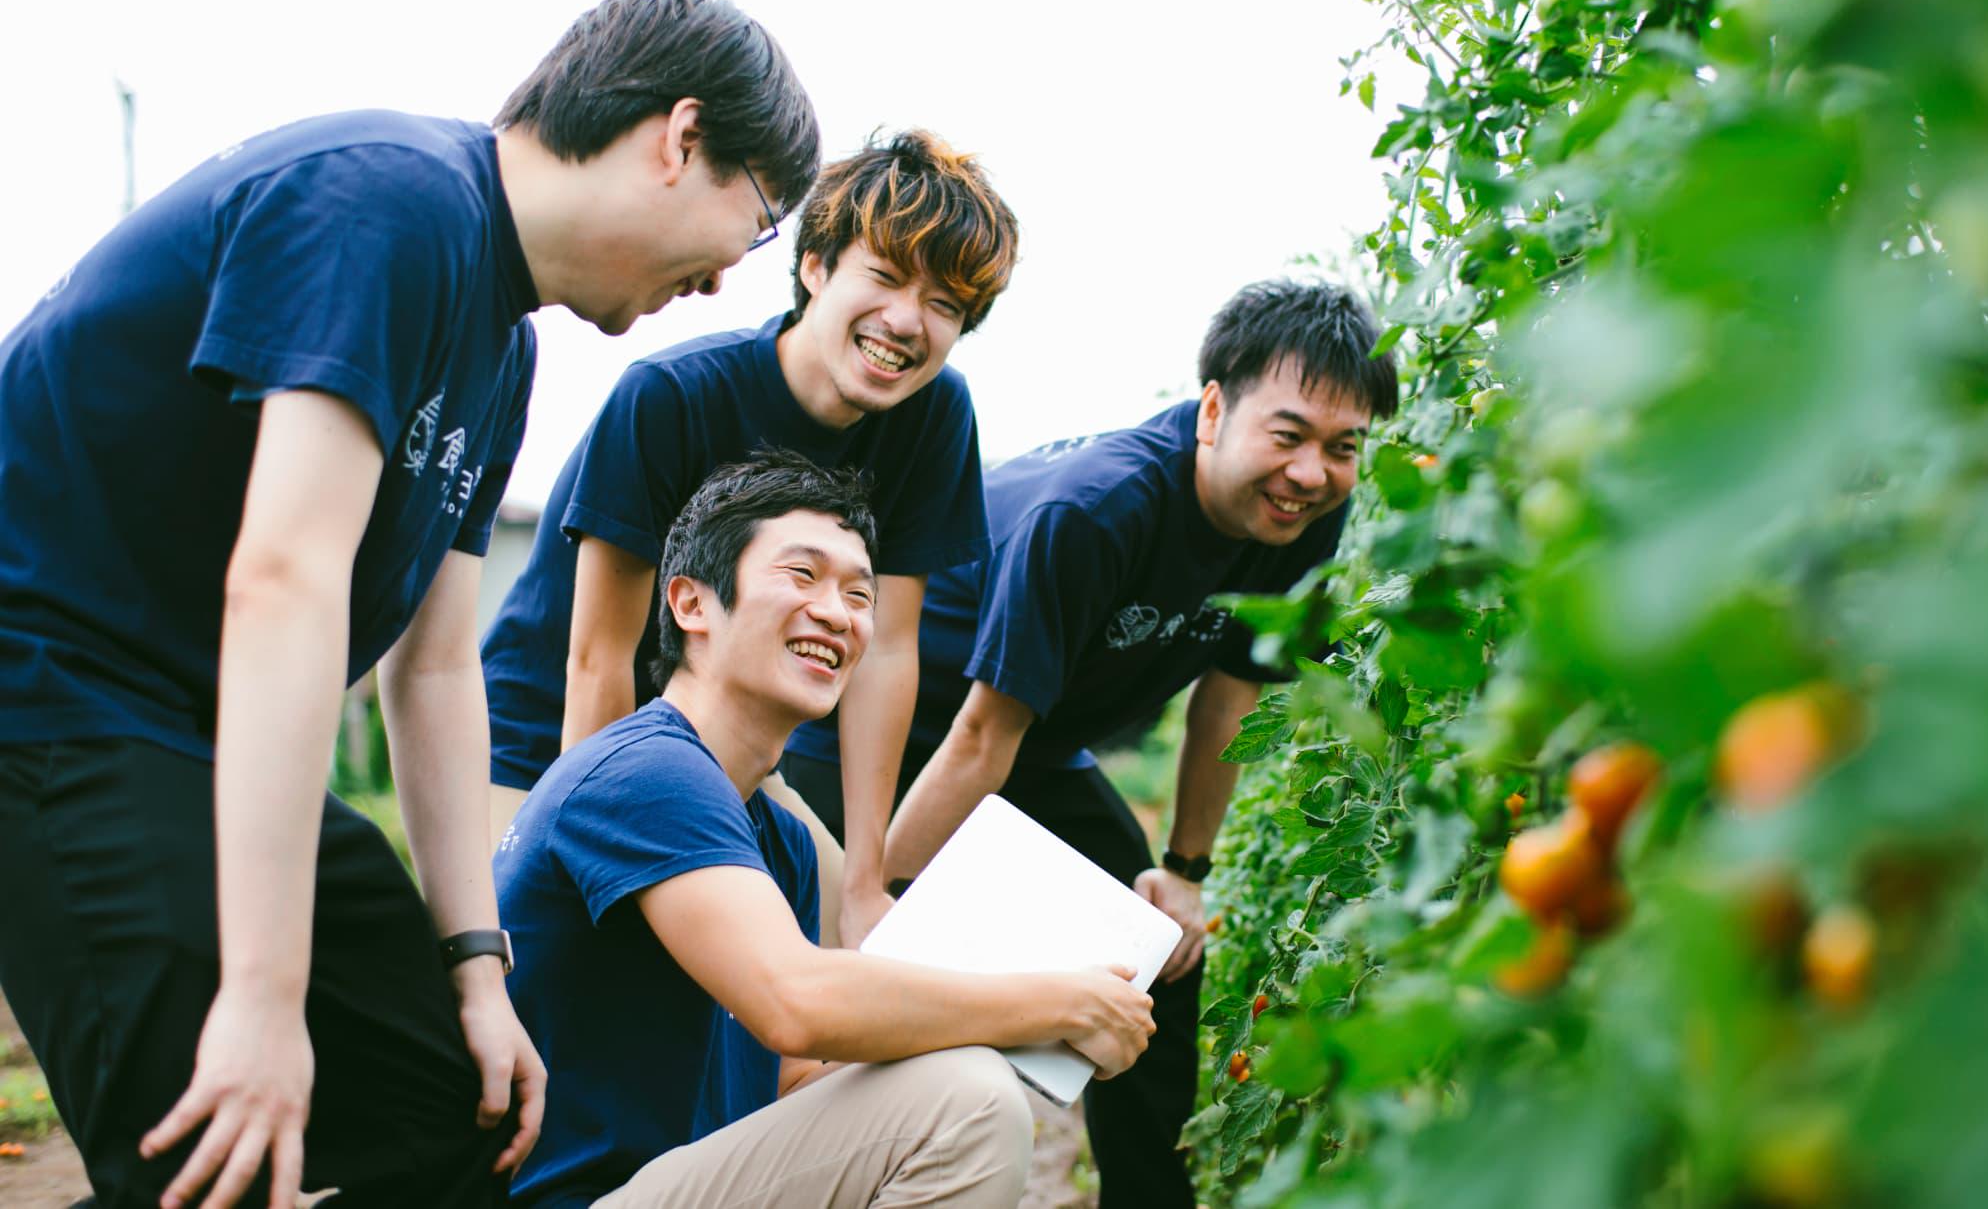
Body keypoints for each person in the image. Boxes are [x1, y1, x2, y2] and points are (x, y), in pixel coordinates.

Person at [0, 0, 818, 1208]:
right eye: (752, 225)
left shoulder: (502, 348)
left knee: (455, 1109)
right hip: (54, 700)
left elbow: (433, 666)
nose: (720, 282)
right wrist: (264, 999)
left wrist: (479, 975)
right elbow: (284, 577)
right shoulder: (390, 202)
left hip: (190, 736)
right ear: (679, 138)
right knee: (215, 1146)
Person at [781, 277, 1400, 1208]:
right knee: (841, 959)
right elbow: (979, 737)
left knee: (1157, 946)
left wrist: (1183, 871)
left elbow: (1227, 698)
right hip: (894, 731)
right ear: (1214, 411)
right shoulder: (1099, 509)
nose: (1311, 472)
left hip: (1029, 741)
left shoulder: (1301, 520)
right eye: (1289, 434)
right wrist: (880, 903)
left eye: (1342, 447)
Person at [495, 451, 1155, 1208]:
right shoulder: (646, 771)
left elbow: (793, 1082)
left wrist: (994, 1021)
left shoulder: (778, 839)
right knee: (969, 1101)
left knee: (956, 1076)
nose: (838, 614)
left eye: (859, 594)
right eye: (802, 575)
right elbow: (796, 1000)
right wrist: (1059, 1003)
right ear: (690, 603)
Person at [482, 128, 1017, 948]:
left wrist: (865, 880)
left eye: (944, 305)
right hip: (547, 743)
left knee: (859, 951)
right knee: (561, 975)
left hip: (726, 753)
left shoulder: (935, 414)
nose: (906, 321)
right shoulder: (670, 396)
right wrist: (601, 864)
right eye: (884, 277)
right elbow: (597, 659)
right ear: (815, 267)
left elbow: (885, 648)